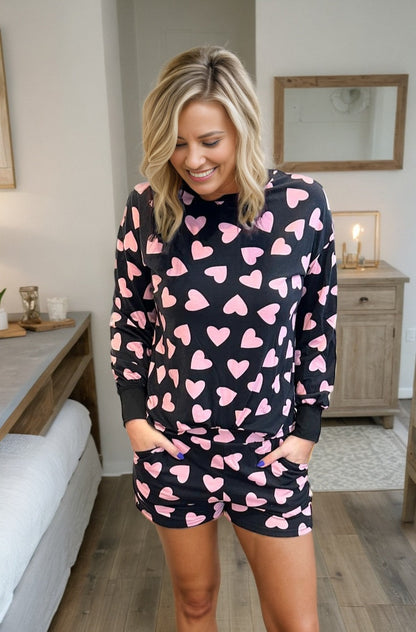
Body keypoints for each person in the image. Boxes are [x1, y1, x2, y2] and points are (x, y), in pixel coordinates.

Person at [110, 45, 337, 632]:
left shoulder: (302, 205)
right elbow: (130, 319)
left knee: (297, 624)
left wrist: (308, 429)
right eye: (177, 142)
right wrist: (136, 419)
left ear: (242, 128)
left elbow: (317, 323)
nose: (192, 159)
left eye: (209, 141)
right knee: (193, 606)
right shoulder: (147, 207)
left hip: (269, 448)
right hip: (173, 446)